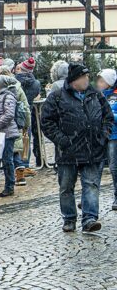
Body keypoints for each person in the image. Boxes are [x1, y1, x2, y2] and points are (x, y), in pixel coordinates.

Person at [42, 63, 113, 232]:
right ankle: (69, 218)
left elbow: (108, 117)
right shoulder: (58, 96)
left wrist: (102, 136)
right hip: (68, 151)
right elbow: (46, 121)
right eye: (84, 77)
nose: (88, 79)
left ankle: (89, 218)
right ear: (75, 79)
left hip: (93, 149)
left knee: (91, 185)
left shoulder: (95, 94)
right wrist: (62, 140)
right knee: (66, 187)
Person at [15, 58, 42, 171]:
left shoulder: (15, 81)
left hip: (15, 113)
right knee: (27, 138)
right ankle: (25, 164)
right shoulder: (36, 83)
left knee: (15, 140)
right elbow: (37, 95)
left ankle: (17, 164)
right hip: (28, 112)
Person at [96, 69, 117, 210]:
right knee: (95, 167)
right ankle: (90, 198)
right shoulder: (98, 95)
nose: (99, 83)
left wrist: (108, 117)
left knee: (114, 167)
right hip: (99, 134)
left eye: (102, 80)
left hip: (114, 135)